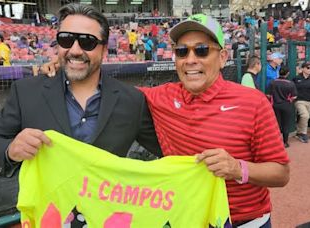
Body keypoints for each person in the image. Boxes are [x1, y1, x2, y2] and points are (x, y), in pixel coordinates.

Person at [41, 13, 290, 226]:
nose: (190, 59)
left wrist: (238, 168)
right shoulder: (160, 97)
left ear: (223, 57)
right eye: (182, 51)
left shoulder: (253, 102)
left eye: (201, 50)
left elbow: (281, 173)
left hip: (244, 221)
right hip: (187, 219)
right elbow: (108, 90)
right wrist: (69, 63)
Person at [0, 4, 162, 227]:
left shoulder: (132, 100)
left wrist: (209, 163)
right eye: (66, 39)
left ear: (104, 50)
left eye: (87, 42)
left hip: (108, 219)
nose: (75, 50)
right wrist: (10, 151)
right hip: (48, 218)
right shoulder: (26, 93)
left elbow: (167, 150)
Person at [267, 66, 297, 148]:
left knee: (276, 124)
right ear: (287, 73)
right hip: (286, 105)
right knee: (285, 124)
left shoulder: (273, 82)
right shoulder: (290, 83)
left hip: (275, 105)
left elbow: (269, 95)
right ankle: (285, 142)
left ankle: (275, 141)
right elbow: (294, 96)